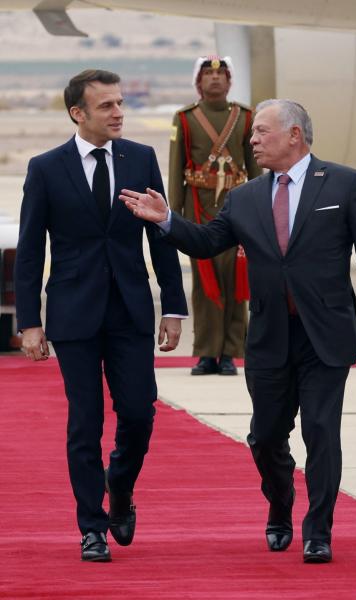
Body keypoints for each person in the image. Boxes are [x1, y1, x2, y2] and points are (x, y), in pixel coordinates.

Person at [121, 98, 356, 564]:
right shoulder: (245, 196)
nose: (252, 140)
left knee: (320, 429)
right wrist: (167, 220)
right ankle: (280, 502)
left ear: (295, 135)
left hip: (325, 333)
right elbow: (209, 243)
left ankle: (319, 531)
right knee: (266, 436)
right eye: (253, 134)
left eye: (262, 132)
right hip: (270, 334)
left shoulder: (345, 184)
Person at [15, 69, 188, 562]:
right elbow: (30, 251)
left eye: (120, 103)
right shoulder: (46, 168)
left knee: (138, 413)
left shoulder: (140, 158)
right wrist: (30, 322)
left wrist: (172, 307)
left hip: (130, 310)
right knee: (84, 422)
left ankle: (122, 486)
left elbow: (160, 237)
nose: (119, 112)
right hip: (73, 314)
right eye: (107, 105)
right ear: (79, 113)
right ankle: (91, 526)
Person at [169, 55, 262, 376]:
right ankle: (207, 352)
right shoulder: (185, 119)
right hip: (198, 213)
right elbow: (176, 172)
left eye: (221, 74)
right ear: (198, 81)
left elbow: (255, 171)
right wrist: (174, 221)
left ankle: (231, 353)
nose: (215, 79)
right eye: (208, 74)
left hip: (237, 212)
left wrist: (260, 213)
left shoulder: (245, 118)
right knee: (204, 286)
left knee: (238, 284)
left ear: (230, 80)